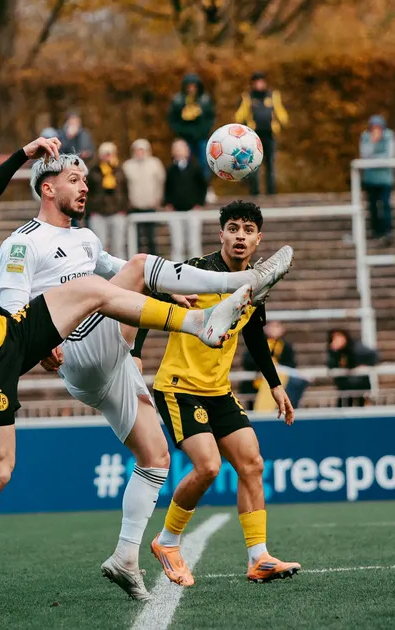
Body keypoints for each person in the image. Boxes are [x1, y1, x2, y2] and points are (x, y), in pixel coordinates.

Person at [0, 134, 273, 617]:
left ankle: (126, 555)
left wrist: (37, 335)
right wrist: (21, 155)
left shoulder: (64, 238)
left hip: (8, 336)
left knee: (153, 452)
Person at [0, 164, 293, 600]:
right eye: (75, 180)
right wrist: (37, 343)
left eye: (84, 179)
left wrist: (167, 289)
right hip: (87, 350)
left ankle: (130, 557)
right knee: (138, 268)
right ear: (47, 187)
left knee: (161, 459)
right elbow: (14, 307)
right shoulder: (22, 242)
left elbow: (119, 269)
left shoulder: (86, 239)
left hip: (126, 367)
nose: (84, 186)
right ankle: (218, 305)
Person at [133, 200, 300, 587]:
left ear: (258, 240)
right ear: (221, 233)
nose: (240, 236)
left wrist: (275, 385)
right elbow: (145, 297)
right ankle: (167, 541)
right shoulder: (196, 271)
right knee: (208, 466)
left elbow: (254, 333)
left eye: (248, 230)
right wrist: (135, 353)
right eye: (233, 228)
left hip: (218, 390)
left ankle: (259, 558)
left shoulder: (256, 285)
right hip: (178, 387)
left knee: (252, 463)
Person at [235, 71, 288, 195]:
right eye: (257, 82)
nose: (259, 84)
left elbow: (280, 111)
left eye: (261, 81)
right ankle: (255, 191)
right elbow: (240, 115)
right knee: (253, 164)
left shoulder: (272, 95)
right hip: (254, 136)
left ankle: (271, 191)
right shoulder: (248, 97)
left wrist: (283, 121)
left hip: (269, 134)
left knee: (270, 164)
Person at [164, 139, 207, 262]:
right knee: (177, 244)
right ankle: (177, 268)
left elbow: (203, 187)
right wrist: (168, 203)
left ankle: (196, 266)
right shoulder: (170, 170)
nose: (179, 152)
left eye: (181, 149)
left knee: (194, 243)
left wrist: (199, 203)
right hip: (175, 212)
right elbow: (167, 188)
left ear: (187, 151)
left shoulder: (195, 167)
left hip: (193, 210)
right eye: (176, 149)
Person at [167, 73, 215, 180]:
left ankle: (205, 184)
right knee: (183, 162)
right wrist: (182, 132)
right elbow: (173, 120)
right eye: (189, 86)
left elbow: (210, 118)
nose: (191, 89)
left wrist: (203, 131)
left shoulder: (204, 100)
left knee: (204, 162)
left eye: (194, 86)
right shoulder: (178, 100)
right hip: (185, 137)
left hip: (201, 137)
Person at [123, 139, 166, 255]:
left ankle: (154, 260)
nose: (139, 152)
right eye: (137, 150)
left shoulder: (155, 164)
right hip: (134, 206)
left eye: (142, 150)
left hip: (150, 205)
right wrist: (128, 202)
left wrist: (158, 199)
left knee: (151, 237)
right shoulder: (127, 166)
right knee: (135, 238)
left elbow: (160, 183)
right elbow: (124, 186)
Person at [87, 142, 130, 259]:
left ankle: (121, 270)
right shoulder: (93, 171)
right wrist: (91, 210)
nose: (107, 156)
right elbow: (88, 192)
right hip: (98, 212)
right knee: (100, 247)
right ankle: (102, 270)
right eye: (105, 154)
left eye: (110, 153)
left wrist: (124, 209)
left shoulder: (120, 171)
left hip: (117, 212)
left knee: (119, 246)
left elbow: (125, 191)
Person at [359, 115, 395, 244]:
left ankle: (387, 230)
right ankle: (375, 230)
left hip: (385, 179)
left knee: (385, 204)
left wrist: (374, 160)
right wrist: (372, 142)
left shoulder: (389, 136)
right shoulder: (366, 137)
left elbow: (390, 156)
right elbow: (364, 155)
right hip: (370, 179)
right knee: (372, 205)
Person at [326, 329, 378, 408]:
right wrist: (334, 352)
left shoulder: (356, 347)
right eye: (334, 338)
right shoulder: (335, 352)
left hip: (360, 386)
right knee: (343, 408)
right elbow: (331, 365)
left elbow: (373, 356)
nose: (337, 340)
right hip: (344, 388)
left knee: (361, 408)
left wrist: (361, 365)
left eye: (339, 337)